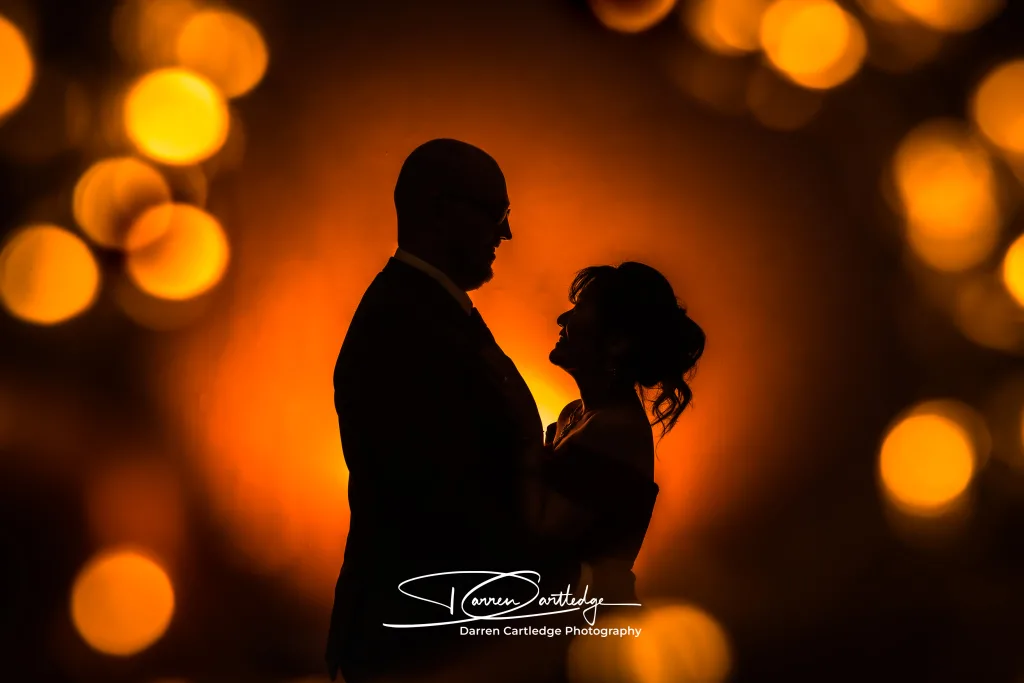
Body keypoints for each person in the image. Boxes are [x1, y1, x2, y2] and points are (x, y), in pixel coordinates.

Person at [325, 139, 577, 683]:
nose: (506, 235)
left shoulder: (425, 313)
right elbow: (436, 497)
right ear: (440, 208)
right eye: (496, 213)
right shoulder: (404, 327)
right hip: (425, 643)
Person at [525, 262, 706, 609]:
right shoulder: (573, 414)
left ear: (618, 342)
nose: (562, 319)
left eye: (580, 308)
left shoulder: (614, 430)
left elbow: (540, 538)